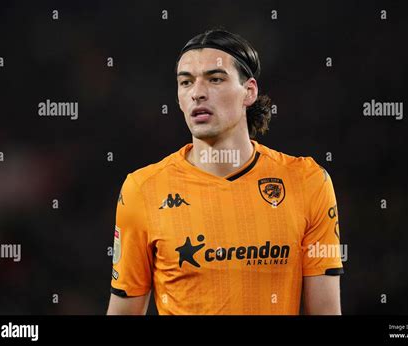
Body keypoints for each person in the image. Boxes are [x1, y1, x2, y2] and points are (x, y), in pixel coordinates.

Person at [107, 29, 343, 315]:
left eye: (215, 79)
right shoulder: (142, 189)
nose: (197, 93)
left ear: (249, 91)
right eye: (186, 82)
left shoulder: (309, 182)